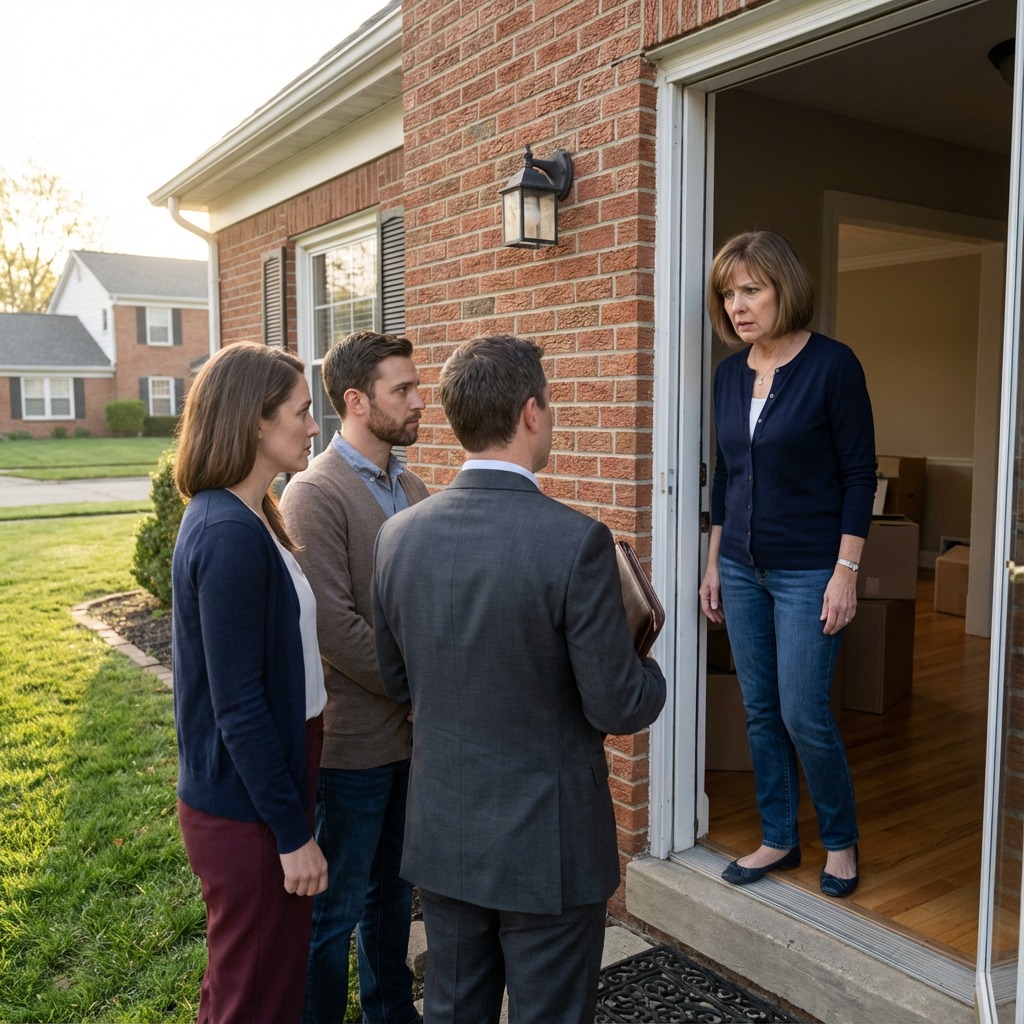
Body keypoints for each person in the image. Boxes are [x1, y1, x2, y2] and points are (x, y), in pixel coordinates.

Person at [372, 334, 667, 1024]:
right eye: (553, 405)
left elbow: (397, 678)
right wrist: (646, 662)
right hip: (549, 847)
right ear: (532, 412)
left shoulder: (399, 535)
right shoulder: (575, 541)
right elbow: (619, 703)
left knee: (452, 1012)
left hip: (446, 831)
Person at [698, 230, 876, 899]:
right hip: (742, 568)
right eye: (729, 294)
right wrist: (715, 564)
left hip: (810, 570)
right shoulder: (729, 374)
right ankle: (778, 836)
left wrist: (846, 571)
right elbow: (726, 478)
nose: (738, 305)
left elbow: (860, 475)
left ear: (784, 289)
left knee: (805, 712)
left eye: (751, 290)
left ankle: (840, 842)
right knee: (760, 709)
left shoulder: (833, 366)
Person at [171, 341, 328, 1023]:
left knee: (252, 983)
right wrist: (292, 834)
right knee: (254, 999)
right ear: (255, 422)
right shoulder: (228, 531)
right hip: (250, 809)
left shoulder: (251, 512)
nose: (313, 425)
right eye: (301, 411)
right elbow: (238, 705)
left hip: (267, 792)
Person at [280, 332, 427, 1024]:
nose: (420, 401)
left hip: (412, 743)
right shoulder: (313, 494)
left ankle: (390, 1015)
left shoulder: (417, 488)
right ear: (356, 402)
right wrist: (415, 693)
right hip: (352, 746)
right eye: (404, 390)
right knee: (334, 913)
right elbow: (333, 628)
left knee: (394, 899)